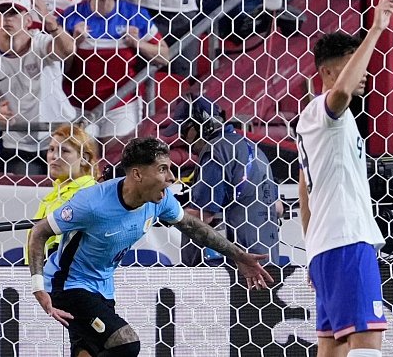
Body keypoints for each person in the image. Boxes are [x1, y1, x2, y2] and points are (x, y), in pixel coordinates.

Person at [27, 137, 274, 356]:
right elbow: (39, 232)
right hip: (67, 284)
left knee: (88, 351)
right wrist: (38, 288)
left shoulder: (159, 200)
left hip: (103, 286)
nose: (171, 178)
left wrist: (239, 256)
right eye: (163, 169)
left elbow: (193, 226)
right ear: (137, 174)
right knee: (126, 343)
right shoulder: (92, 203)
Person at [294, 0, 393, 357]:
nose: (364, 70)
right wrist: (375, 32)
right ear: (326, 72)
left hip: (327, 246)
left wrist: (312, 252)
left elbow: (304, 192)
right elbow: (339, 93)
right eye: (353, 62)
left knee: (333, 349)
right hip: (347, 241)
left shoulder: (325, 122)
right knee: (367, 345)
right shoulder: (325, 111)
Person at [0, 0, 78, 175]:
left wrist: (51, 23)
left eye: (14, 12)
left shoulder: (41, 43)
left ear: (28, 20)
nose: (8, 18)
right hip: (19, 144)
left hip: (61, 137)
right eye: (2, 12)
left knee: (67, 198)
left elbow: (68, 50)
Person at [162, 96, 282, 266]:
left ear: (201, 124)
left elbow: (203, 215)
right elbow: (277, 207)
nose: (182, 138)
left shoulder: (216, 152)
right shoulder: (254, 149)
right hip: (267, 260)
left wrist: (164, 211)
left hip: (229, 267)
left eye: (184, 130)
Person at [59, 0, 170, 141]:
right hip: (77, 105)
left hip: (121, 106)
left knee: (117, 161)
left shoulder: (134, 14)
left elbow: (164, 56)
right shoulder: (70, 15)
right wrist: (74, 43)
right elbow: (60, 69)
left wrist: (137, 43)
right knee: (82, 163)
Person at [23, 125, 99, 265]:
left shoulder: (87, 193)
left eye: (64, 151)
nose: (54, 156)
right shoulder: (54, 194)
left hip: (62, 275)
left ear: (84, 158)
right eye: (51, 149)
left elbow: (64, 247)